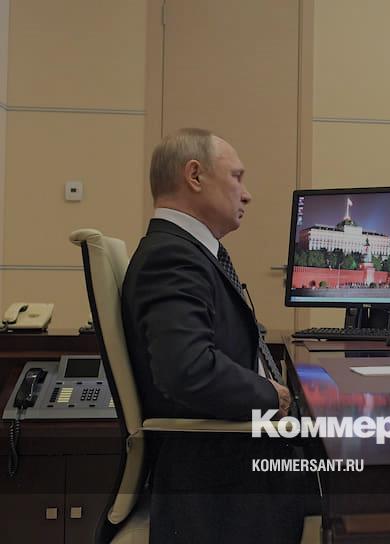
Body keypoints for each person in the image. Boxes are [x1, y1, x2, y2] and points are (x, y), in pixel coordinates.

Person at [121, 128, 309, 542]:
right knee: (380, 476)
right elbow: (187, 369)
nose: (247, 195)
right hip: (227, 481)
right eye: (237, 177)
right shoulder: (173, 256)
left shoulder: (188, 253)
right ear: (194, 176)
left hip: (235, 455)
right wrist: (271, 395)